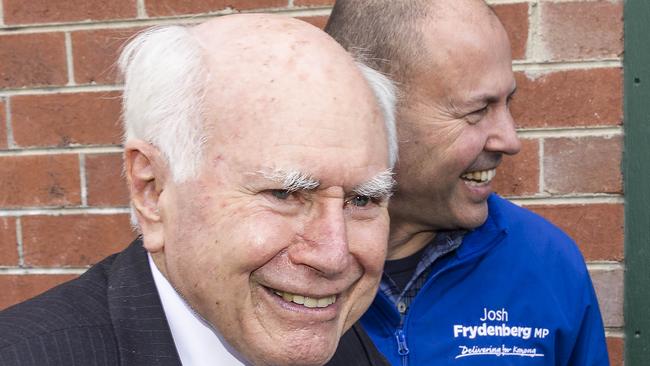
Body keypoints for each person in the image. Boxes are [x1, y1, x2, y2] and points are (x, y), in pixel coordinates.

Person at [0, 14, 398, 366]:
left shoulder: (351, 348)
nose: (333, 254)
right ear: (152, 191)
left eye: (362, 200)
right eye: (284, 194)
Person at [325, 0, 609, 364]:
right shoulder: (276, 265)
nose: (510, 140)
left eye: (508, 103)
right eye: (477, 111)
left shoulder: (547, 263)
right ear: (368, 103)